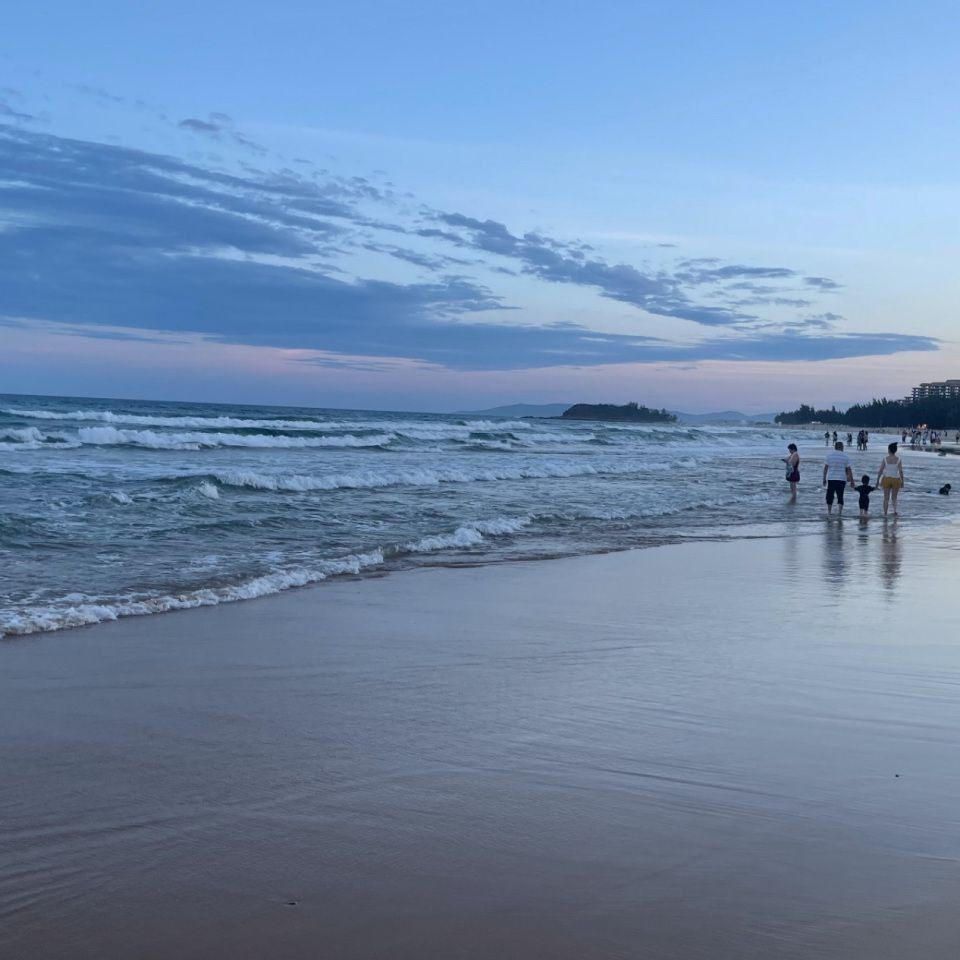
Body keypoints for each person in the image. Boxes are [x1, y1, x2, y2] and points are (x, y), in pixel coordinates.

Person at [822, 441, 855, 516]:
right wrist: (852, 481)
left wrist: (824, 479)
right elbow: (849, 469)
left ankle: (829, 512)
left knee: (830, 496)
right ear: (842, 447)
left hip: (831, 478)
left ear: (835, 447)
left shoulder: (829, 456)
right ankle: (839, 512)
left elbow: (825, 468)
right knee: (840, 495)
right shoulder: (845, 456)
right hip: (841, 479)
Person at [877, 442, 905, 517]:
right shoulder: (898, 459)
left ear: (889, 450)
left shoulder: (885, 459)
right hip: (896, 479)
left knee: (886, 498)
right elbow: (901, 471)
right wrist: (902, 482)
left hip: (886, 479)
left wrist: (877, 480)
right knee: (894, 498)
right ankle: (895, 511)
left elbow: (880, 470)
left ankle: (885, 514)